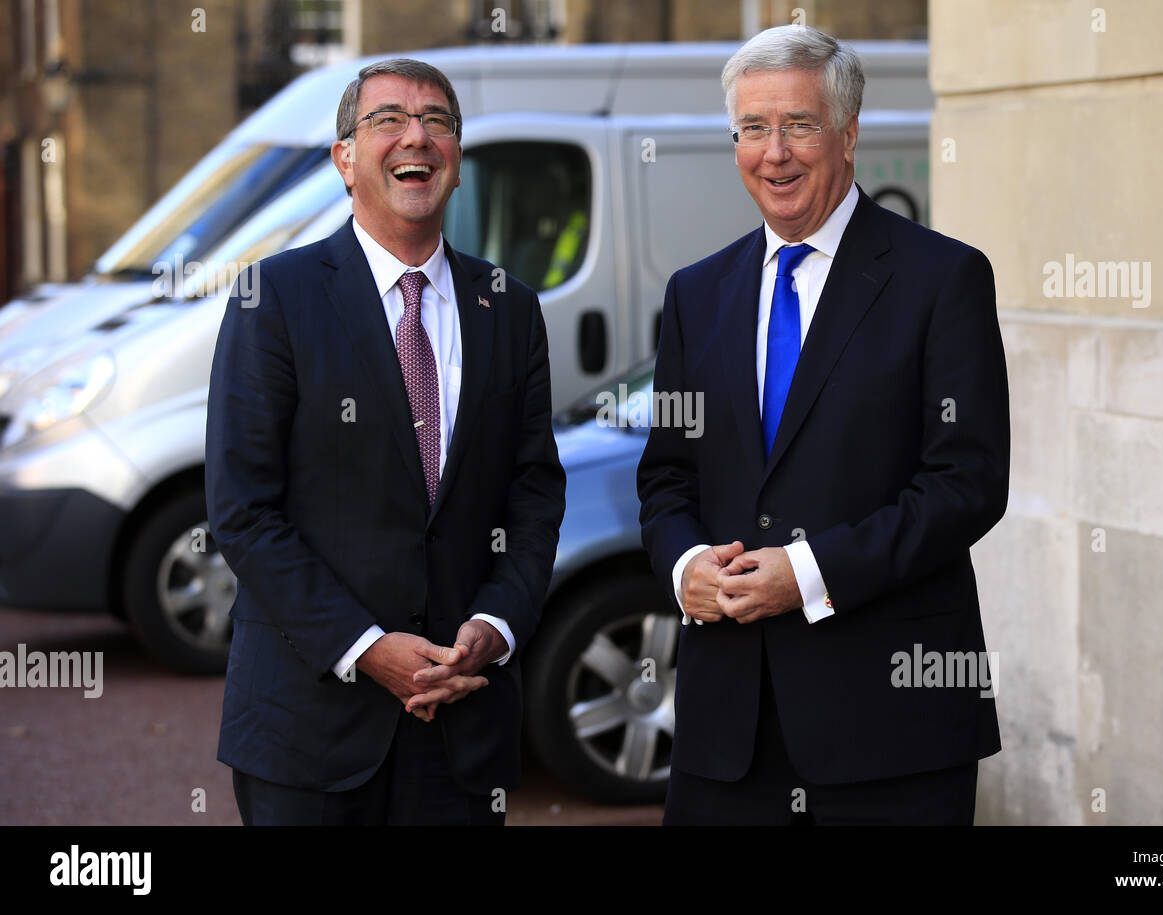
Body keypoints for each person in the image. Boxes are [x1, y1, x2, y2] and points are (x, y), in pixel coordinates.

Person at [636, 25, 1010, 825]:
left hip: (891, 730)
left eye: (799, 125)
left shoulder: (943, 278)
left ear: (847, 133)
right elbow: (667, 476)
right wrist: (686, 566)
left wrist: (807, 575)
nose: (775, 153)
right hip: (724, 733)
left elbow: (967, 484)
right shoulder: (695, 294)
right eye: (753, 129)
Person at [206, 58, 565, 825]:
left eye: (439, 121)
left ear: (458, 161)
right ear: (344, 157)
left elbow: (534, 492)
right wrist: (368, 647)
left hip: (462, 729)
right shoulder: (274, 299)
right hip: (309, 735)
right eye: (389, 120)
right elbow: (242, 510)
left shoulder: (509, 308)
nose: (418, 137)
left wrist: (496, 627)